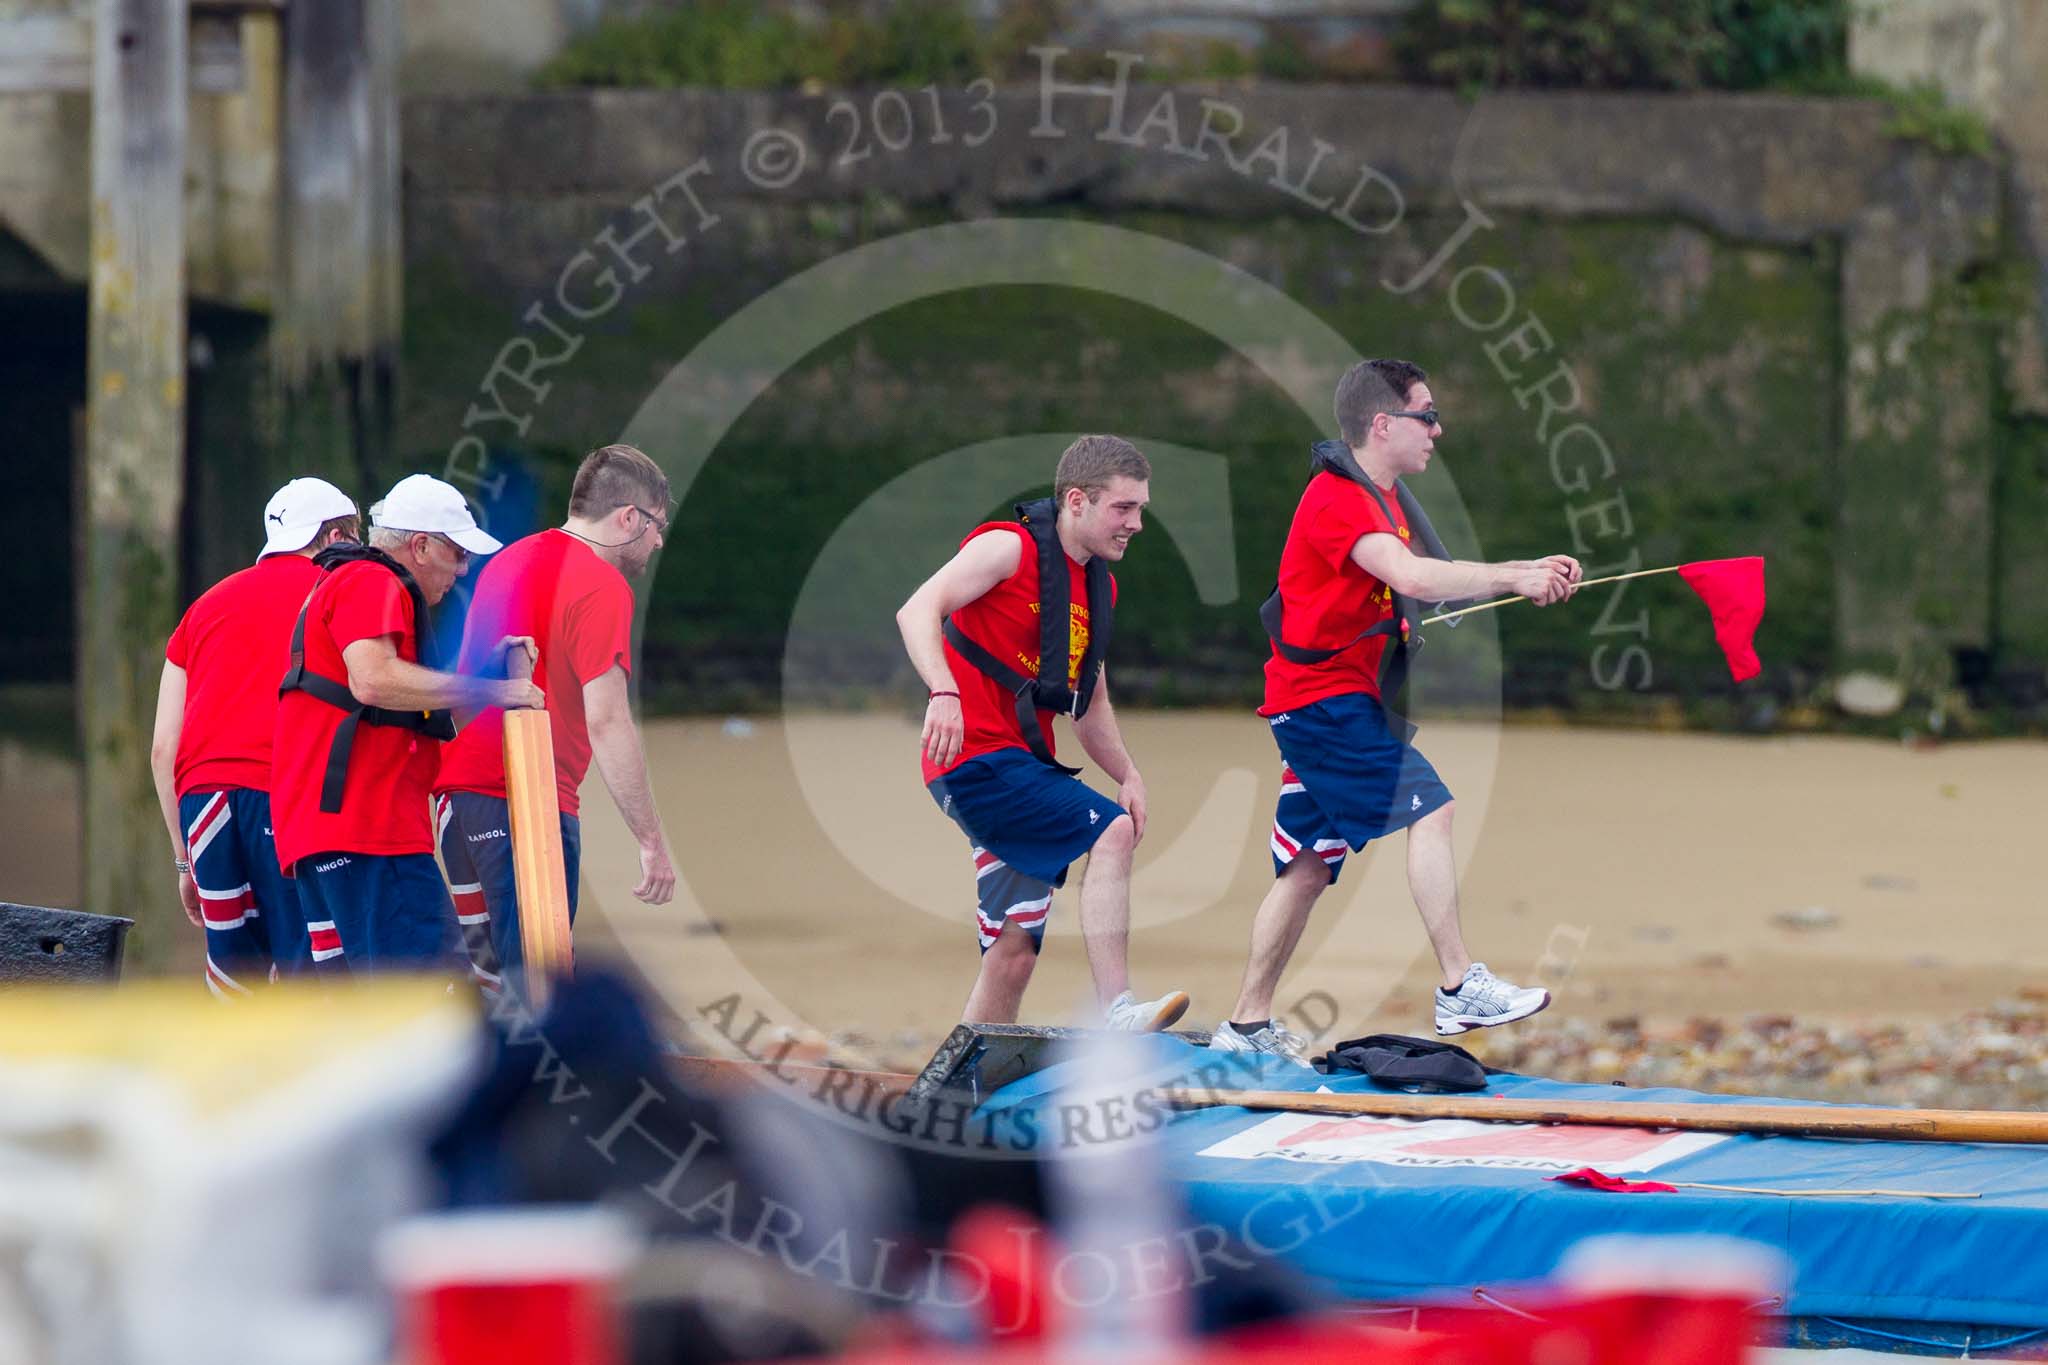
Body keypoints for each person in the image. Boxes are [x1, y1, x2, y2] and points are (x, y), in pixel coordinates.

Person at [1213, 359, 1583, 1058]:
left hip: (1322, 702)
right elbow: (1411, 575)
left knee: (1306, 868)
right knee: (1432, 808)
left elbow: (1419, 585)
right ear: (1382, 424)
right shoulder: (1338, 499)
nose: (1438, 430)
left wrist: (1526, 575)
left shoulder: (1378, 497)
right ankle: (1458, 987)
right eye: (1427, 415)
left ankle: (1244, 1028)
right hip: (1323, 705)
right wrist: (1516, 573)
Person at [896, 435, 1188, 1031]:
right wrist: (945, 691)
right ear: (1076, 500)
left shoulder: (1097, 586)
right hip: (975, 760)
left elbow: (1089, 702)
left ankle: (952, 1102)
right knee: (1111, 830)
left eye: (1141, 509)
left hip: (1022, 766)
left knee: (1011, 955)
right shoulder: (1010, 548)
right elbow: (917, 610)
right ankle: (1118, 1012)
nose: (1136, 524)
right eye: (1123, 508)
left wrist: (1127, 772)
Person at [270, 473, 544, 974]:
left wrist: (482, 678)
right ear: (419, 546)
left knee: (366, 1012)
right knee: (431, 1004)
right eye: (458, 554)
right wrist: (496, 690)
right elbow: (372, 682)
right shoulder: (373, 580)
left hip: (328, 833)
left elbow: (417, 713)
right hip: (370, 830)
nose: (462, 571)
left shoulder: (350, 583)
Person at [433, 444, 678, 992]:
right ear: (629, 518)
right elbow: (608, 720)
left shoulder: (510, 559)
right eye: (658, 525)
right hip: (525, 802)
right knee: (539, 990)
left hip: (456, 801)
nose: (659, 540)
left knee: (487, 985)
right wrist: (651, 840)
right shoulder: (601, 585)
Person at [149, 478, 362, 997]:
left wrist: (185, 859)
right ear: (334, 536)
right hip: (286, 800)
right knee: (307, 966)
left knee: (235, 977)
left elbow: (162, 748)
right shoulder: (336, 593)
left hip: (204, 807)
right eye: (357, 536)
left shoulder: (203, 607)